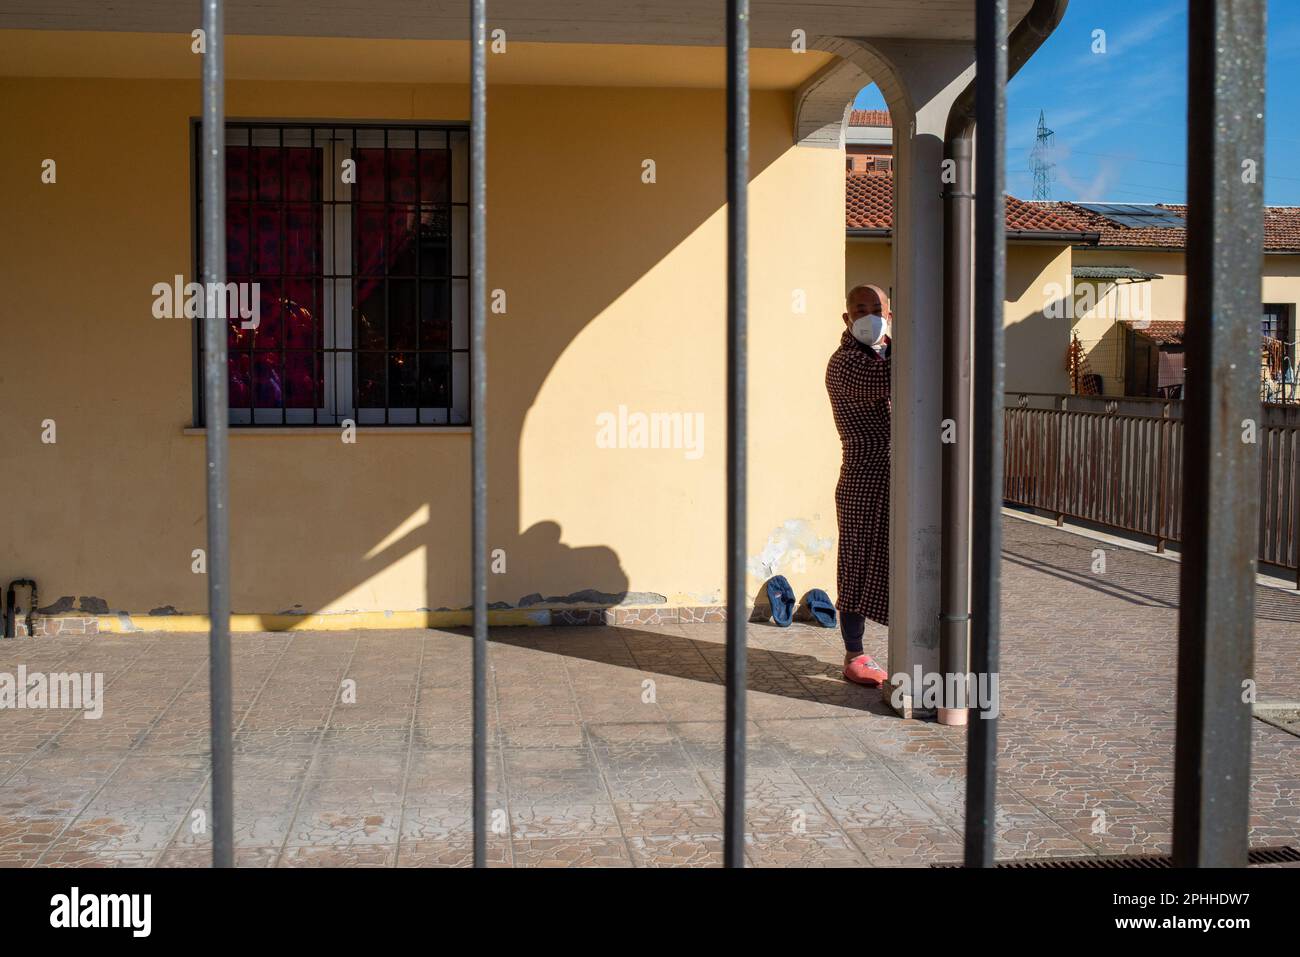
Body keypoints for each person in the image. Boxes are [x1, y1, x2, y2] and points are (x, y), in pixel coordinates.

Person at [825, 284, 892, 686]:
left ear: (889, 313)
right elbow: (886, 380)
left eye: (876, 308)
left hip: (898, 472)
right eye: (859, 309)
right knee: (857, 562)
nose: (867, 315)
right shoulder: (845, 362)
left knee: (892, 562)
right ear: (846, 318)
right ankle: (855, 651)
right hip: (864, 473)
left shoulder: (888, 353)